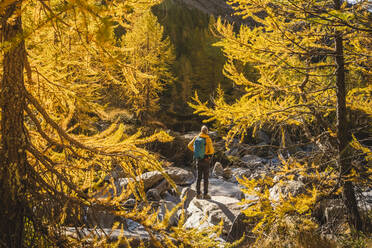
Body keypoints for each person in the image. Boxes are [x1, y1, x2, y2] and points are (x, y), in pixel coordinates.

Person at [187, 125, 214, 199]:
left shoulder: (196, 137)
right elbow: (211, 151)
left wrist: (196, 151)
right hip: (206, 160)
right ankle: (205, 194)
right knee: (205, 178)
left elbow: (189, 145)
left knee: (198, 178)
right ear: (207, 131)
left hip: (198, 159)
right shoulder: (208, 139)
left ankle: (198, 194)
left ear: (201, 131)